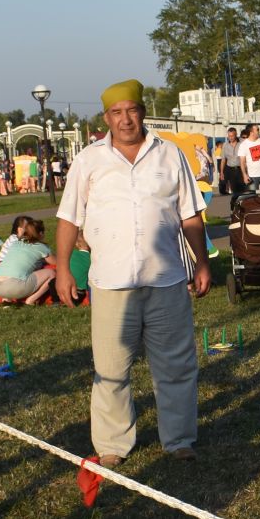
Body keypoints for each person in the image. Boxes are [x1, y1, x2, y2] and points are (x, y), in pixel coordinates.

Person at [54, 79, 209, 463]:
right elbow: (68, 219)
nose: (125, 120)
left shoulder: (169, 154)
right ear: (106, 117)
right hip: (111, 284)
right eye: (117, 113)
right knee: (111, 370)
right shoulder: (89, 160)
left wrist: (202, 261)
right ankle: (112, 445)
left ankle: (179, 441)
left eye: (132, 110)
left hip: (167, 279)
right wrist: (62, 271)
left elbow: (190, 213)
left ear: (142, 112)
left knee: (175, 365)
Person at [0, 215, 57, 305]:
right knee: (52, 273)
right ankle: (31, 300)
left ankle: (7, 300)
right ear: (41, 233)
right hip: (13, 286)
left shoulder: (16, 243)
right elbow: (55, 262)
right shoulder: (41, 247)